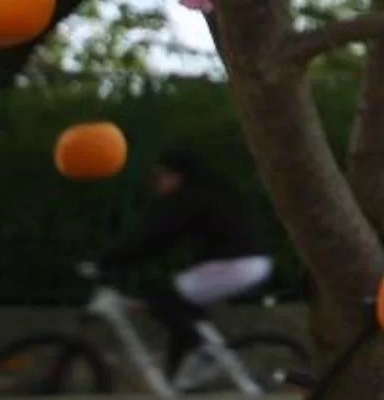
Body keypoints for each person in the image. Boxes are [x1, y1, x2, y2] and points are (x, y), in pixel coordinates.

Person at [101, 146, 272, 374]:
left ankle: (205, 353)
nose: (157, 182)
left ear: (178, 175)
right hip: (246, 264)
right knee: (182, 310)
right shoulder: (211, 192)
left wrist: (112, 260)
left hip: (234, 265)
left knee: (162, 300)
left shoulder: (190, 199)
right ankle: (178, 377)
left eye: (161, 176)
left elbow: (154, 237)